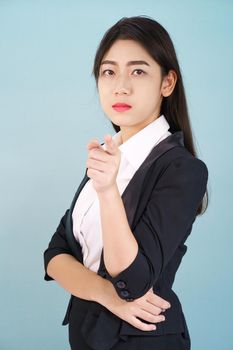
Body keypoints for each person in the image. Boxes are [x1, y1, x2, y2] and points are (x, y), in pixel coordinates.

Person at [43, 15, 209, 350]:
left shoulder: (182, 169)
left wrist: (107, 193)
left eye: (138, 71)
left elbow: (132, 281)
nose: (121, 85)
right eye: (109, 71)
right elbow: (54, 255)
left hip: (143, 340)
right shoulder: (108, 155)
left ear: (167, 82)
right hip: (88, 338)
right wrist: (107, 295)